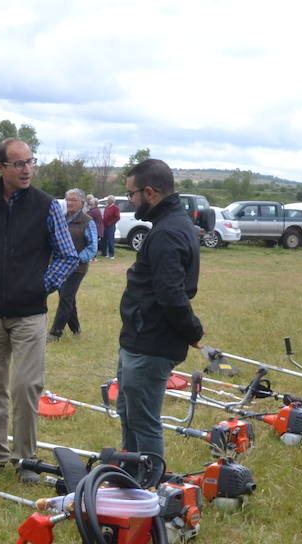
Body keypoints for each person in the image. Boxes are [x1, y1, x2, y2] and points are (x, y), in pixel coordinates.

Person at [0, 138, 78, 485]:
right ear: (0, 168)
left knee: (26, 386)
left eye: (30, 162)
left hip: (29, 315)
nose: (27, 169)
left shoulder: (46, 206)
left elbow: (68, 254)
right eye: (19, 163)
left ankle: (26, 458)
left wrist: (40, 286)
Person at [115, 158, 205, 461]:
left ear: (150, 192)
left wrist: (192, 330)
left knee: (143, 420)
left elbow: (171, 295)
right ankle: (129, 473)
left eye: (131, 194)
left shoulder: (168, 233)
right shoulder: (171, 225)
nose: (130, 200)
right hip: (140, 338)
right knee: (128, 412)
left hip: (150, 342)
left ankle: (150, 486)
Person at [47, 188, 98, 340]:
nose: (69, 203)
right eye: (67, 199)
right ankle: (76, 329)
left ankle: (55, 333)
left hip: (77, 268)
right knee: (67, 297)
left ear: (82, 203)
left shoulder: (88, 221)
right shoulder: (60, 219)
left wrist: (76, 259)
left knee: (66, 297)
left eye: (73, 200)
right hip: (59, 267)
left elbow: (92, 247)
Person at [101, 193, 121, 258]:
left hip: (111, 226)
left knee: (110, 240)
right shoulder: (106, 207)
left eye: (109, 200)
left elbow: (117, 217)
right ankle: (104, 253)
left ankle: (111, 254)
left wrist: (111, 223)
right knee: (104, 240)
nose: (107, 201)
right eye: (107, 200)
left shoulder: (116, 208)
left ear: (112, 201)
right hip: (105, 226)